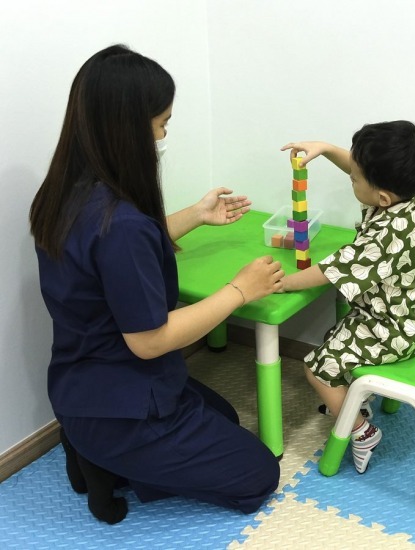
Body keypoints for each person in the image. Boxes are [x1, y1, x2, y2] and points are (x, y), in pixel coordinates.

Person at [29, 44, 284, 524]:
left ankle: (90, 452)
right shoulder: (121, 225)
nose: (165, 134)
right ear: (128, 128)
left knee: (226, 418)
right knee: (259, 475)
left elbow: (112, 255)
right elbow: (149, 341)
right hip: (123, 406)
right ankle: (105, 461)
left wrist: (197, 215)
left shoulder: (65, 191)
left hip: (79, 385)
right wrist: (239, 291)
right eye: (162, 122)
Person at [280, 121, 415, 473]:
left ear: (382, 198)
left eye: (354, 178)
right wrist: (326, 148)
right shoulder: (406, 199)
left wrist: (282, 283)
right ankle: (354, 402)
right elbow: (361, 169)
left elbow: (330, 270)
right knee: (333, 337)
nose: (350, 176)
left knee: (317, 368)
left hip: (390, 330)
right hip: (407, 316)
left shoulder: (383, 236)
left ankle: (361, 430)